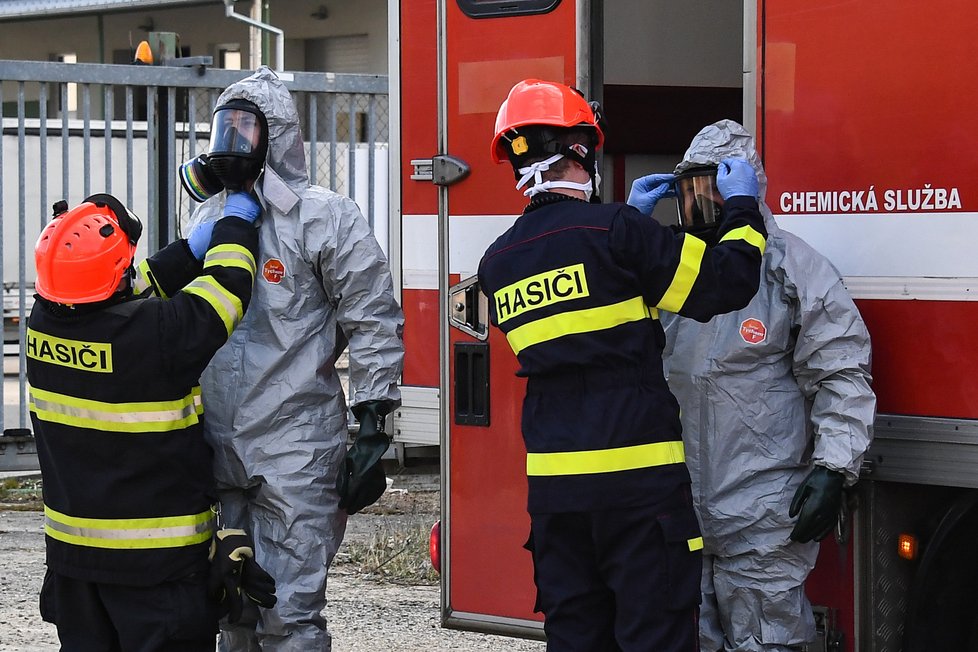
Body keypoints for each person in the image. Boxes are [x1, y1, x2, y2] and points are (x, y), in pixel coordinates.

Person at [476, 79, 769, 652]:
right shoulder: (617, 232)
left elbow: (581, 310)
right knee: (653, 636)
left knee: (578, 637)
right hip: (639, 494)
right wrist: (741, 206)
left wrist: (626, 232)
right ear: (583, 148)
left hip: (558, 499)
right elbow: (728, 281)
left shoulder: (498, 261)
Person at [182, 66, 405, 651]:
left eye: (244, 129)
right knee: (228, 607)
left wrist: (373, 422)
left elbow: (372, 316)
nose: (231, 143)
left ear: (273, 136)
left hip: (295, 448)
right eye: (223, 128)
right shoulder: (210, 218)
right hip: (217, 443)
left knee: (287, 612)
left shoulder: (325, 218)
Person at [649, 120, 877, 652]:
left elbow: (840, 369)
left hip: (762, 510)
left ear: (743, 191)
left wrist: (833, 467)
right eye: (689, 192)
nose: (698, 205)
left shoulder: (792, 268)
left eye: (712, 189)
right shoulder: (671, 268)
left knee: (766, 642)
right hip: (675, 505)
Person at [28, 190, 265, 650]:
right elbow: (227, 287)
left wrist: (183, 253)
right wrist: (233, 228)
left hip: (75, 567)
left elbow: (120, 293)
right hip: (157, 573)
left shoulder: (43, 324)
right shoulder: (158, 336)